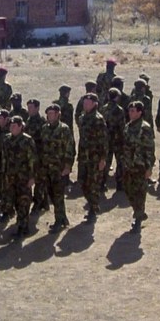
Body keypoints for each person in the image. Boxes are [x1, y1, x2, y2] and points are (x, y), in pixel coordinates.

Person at [122, 101, 155, 233]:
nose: (130, 113)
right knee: (128, 190)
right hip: (128, 165)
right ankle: (139, 212)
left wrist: (149, 167)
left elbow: (149, 149)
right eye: (129, 111)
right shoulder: (128, 126)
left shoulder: (144, 128)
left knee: (140, 193)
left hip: (140, 166)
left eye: (133, 111)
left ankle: (138, 219)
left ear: (140, 112)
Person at [42, 104, 74, 233]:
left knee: (58, 195)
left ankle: (59, 221)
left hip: (59, 168)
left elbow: (69, 148)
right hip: (47, 168)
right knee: (51, 193)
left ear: (57, 115)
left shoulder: (64, 129)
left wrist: (68, 166)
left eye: (52, 113)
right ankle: (63, 218)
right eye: (48, 114)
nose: (49, 116)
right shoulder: (45, 129)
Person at [3, 116, 37, 238]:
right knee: (15, 202)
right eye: (10, 126)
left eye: (14, 126)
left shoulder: (27, 140)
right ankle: (20, 223)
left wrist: (32, 177)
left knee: (24, 202)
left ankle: (24, 228)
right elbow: (4, 159)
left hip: (24, 178)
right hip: (11, 177)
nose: (11, 128)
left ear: (20, 127)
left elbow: (33, 160)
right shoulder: (7, 139)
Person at [77, 93, 109, 222]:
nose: (85, 105)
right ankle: (92, 205)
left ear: (94, 104)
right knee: (82, 182)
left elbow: (104, 140)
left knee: (93, 185)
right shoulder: (82, 117)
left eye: (88, 103)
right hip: (83, 156)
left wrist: (103, 159)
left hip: (94, 158)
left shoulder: (98, 119)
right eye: (84, 103)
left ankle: (93, 209)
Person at [101, 88, 126, 191]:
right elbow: (122, 126)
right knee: (120, 161)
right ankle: (120, 184)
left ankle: (102, 183)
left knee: (106, 161)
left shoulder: (103, 108)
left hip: (106, 139)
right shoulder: (119, 110)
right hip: (117, 139)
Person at [26, 99, 48, 212]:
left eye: (31, 107)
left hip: (39, 155)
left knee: (39, 180)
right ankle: (43, 201)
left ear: (37, 108)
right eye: (28, 107)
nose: (29, 110)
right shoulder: (28, 120)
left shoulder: (42, 122)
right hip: (30, 155)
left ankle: (38, 202)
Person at [54, 84, 76, 186]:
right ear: (67, 93)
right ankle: (66, 177)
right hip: (67, 133)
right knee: (69, 154)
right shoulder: (68, 106)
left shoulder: (55, 104)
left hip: (56, 133)